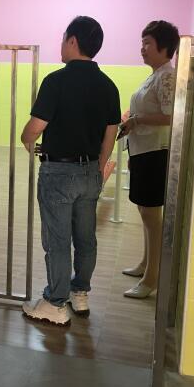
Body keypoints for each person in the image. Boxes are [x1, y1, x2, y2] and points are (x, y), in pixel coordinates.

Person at [21, 16, 121, 326]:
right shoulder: (108, 86)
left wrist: (26, 140)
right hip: (90, 171)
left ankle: (55, 302)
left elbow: (35, 128)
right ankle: (80, 293)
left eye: (64, 38)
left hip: (58, 174)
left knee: (58, 240)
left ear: (73, 41)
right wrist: (98, 168)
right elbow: (110, 134)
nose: (61, 44)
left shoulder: (56, 81)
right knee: (86, 238)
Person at [119, 20, 179, 299]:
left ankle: (152, 278)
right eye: (142, 42)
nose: (142, 48)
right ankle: (146, 264)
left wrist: (136, 120)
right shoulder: (155, 75)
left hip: (156, 152)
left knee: (152, 216)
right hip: (143, 151)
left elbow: (170, 116)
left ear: (165, 47)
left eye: (148, 43)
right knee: (145, 212)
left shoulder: (167, 76)